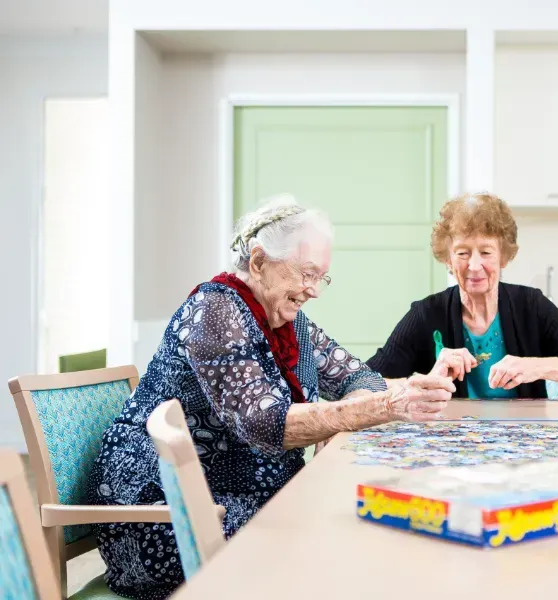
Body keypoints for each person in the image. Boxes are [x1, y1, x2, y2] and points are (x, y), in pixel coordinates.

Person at [87, 195, 454, 599]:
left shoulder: (289, 323)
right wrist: (369, 410)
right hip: (170, 512)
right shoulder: (215, 311)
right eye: (306, 274)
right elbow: (265, 425)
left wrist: (341, 416)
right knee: (339, 541)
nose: (314, 290)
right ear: (259, 262)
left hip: (241, 498)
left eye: (322, 278)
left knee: (359, 525)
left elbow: (360, 375)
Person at [366, 192, 558, 399]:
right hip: (449, 443)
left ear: (504, 256)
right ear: (447, 259)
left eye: (486, 252)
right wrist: (424, 381)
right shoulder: (426, 314)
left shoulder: (531, 306)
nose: (474, 265)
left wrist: (534, 366)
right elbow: (362, 384)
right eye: (462, 253)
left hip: (525, 440)